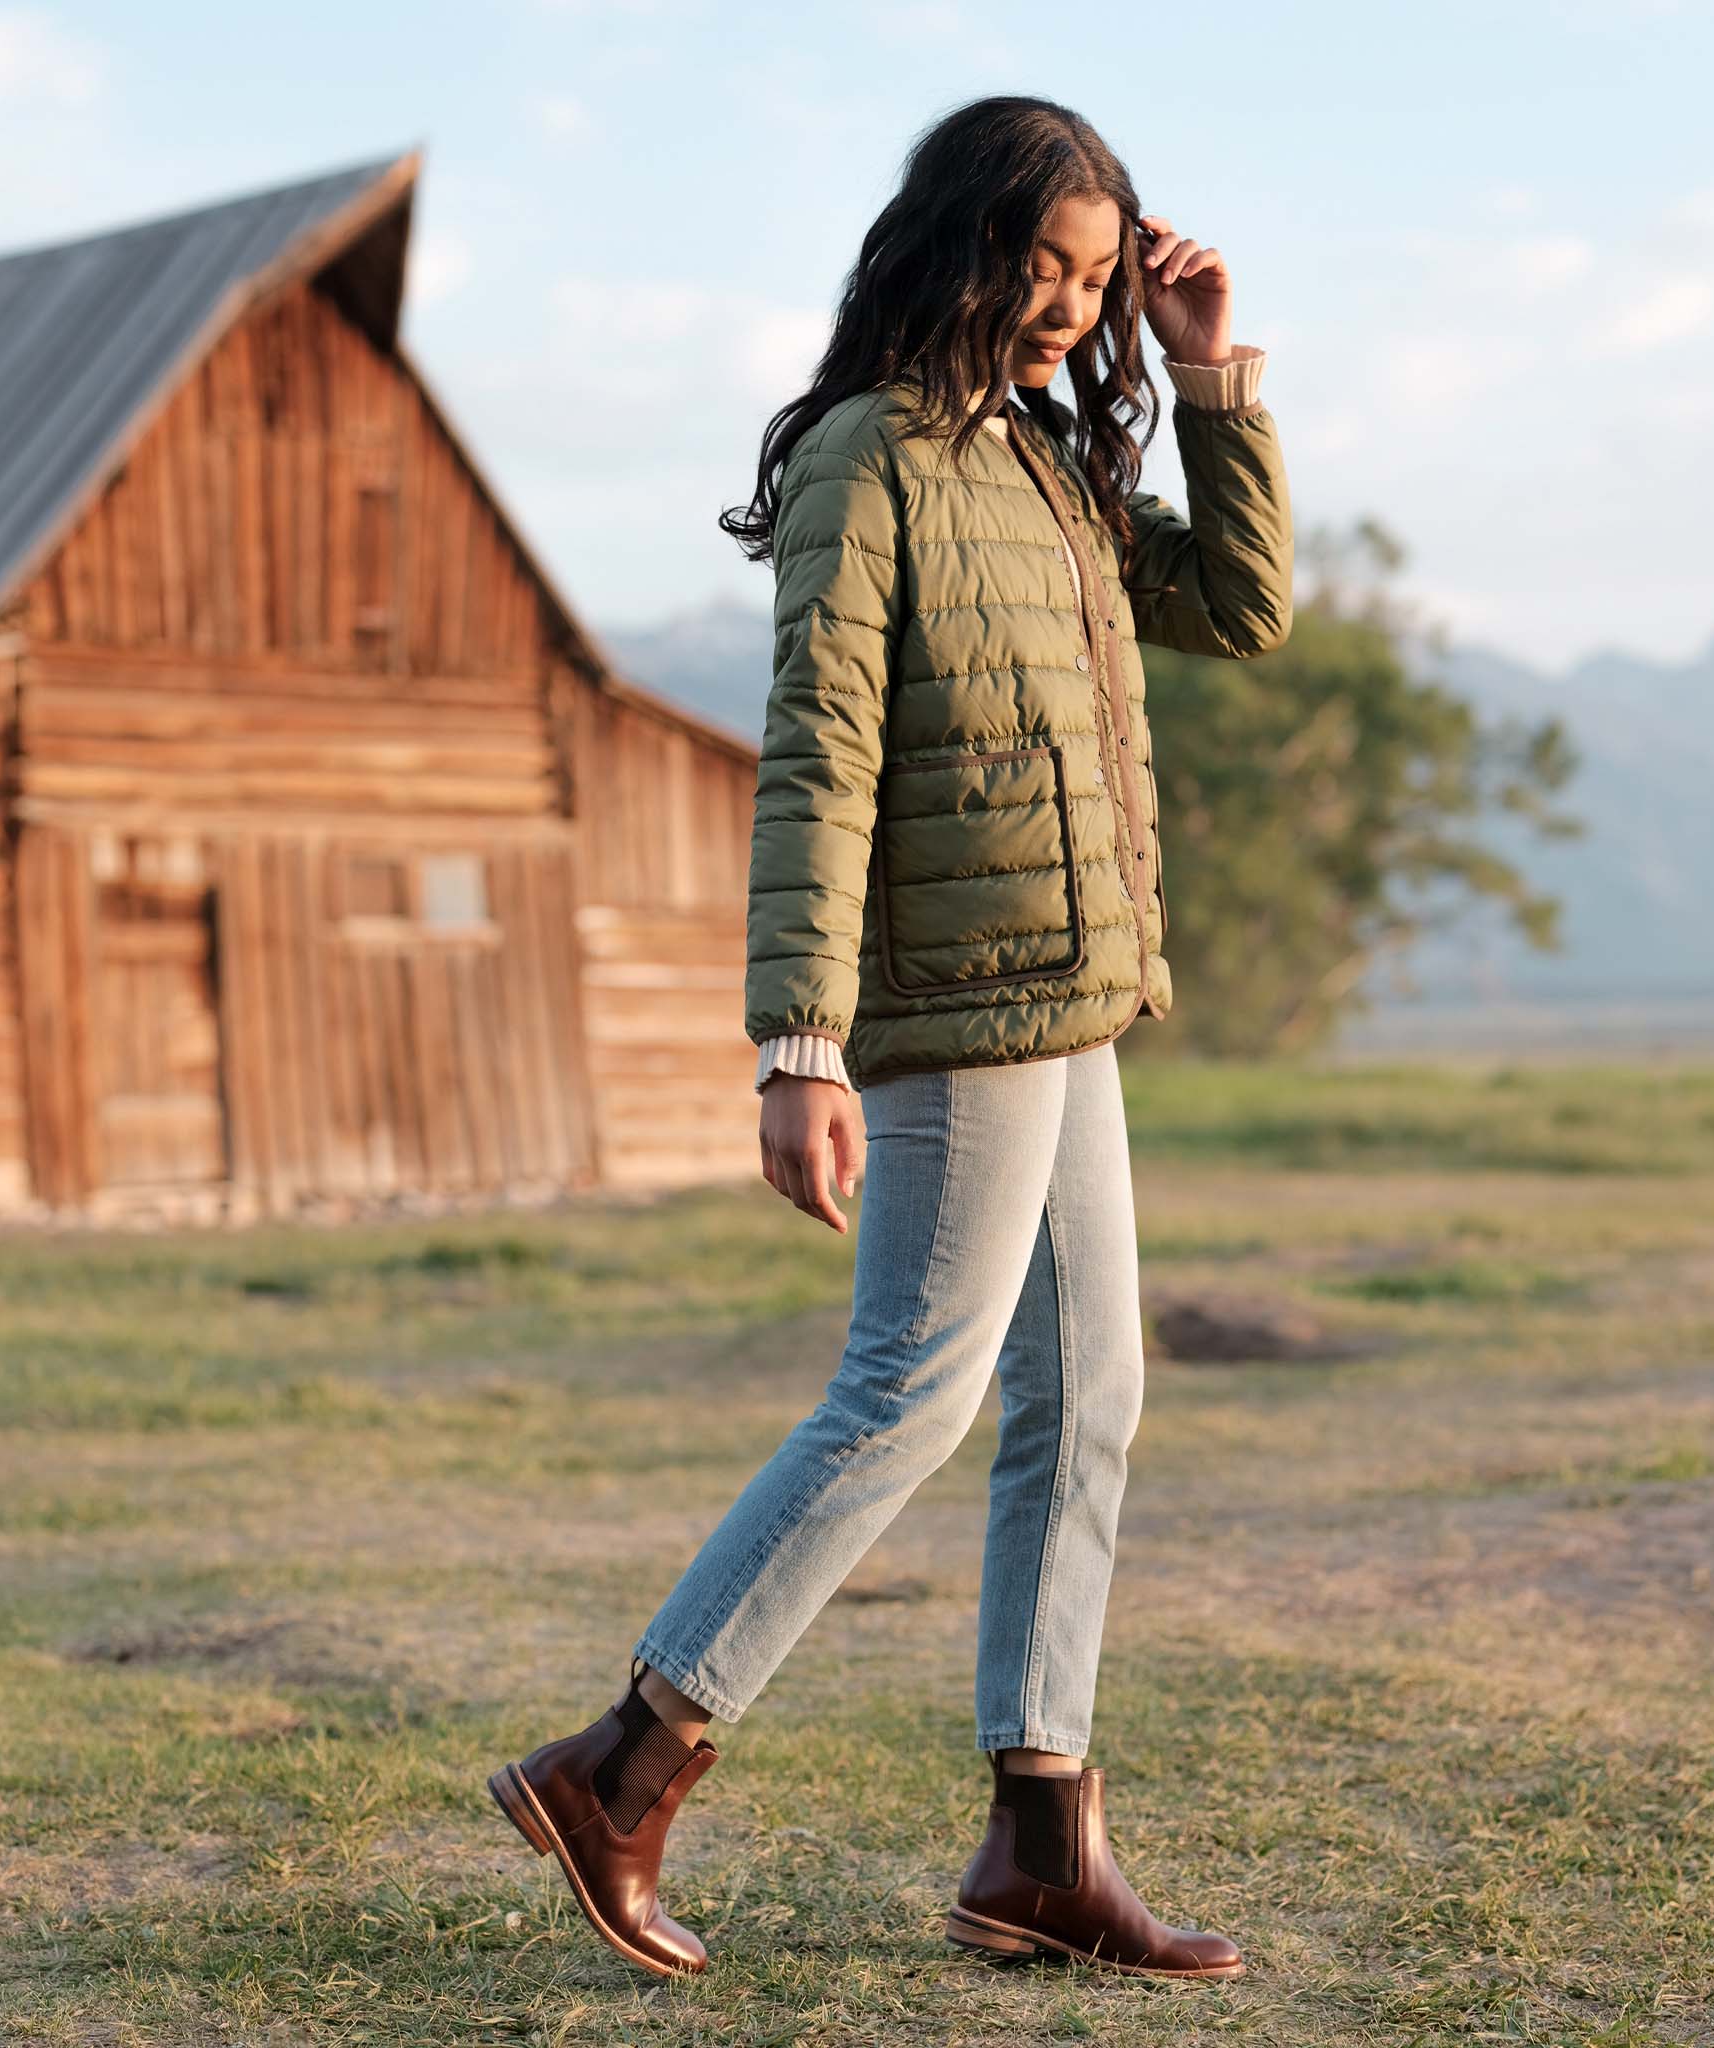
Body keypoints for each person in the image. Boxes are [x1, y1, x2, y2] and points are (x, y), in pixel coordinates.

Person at [489, 93, 1292, 1983]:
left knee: (1088, 1399)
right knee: (912, 1391)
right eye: (1043, 266)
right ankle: (620, 1768)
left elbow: (1243, 609)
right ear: (960, 245)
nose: (1069, 305)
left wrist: (1210, 379)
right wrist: (801, 1043)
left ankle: (1042, 1848)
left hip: (1073, 1006)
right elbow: (820, 754)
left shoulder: (1052, 466)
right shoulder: (872, 457)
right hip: (949, 1003)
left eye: (1095, 278)